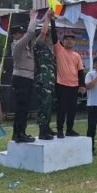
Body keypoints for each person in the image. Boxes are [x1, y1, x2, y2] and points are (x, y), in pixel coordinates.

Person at [10, 10, 37, 143]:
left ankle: (20, 132)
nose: (22, 35)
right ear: (14, 35)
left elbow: (32, 36)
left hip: (27, 79)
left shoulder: (26, 47)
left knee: (24, 108)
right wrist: (33, 17)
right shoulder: (18, 45)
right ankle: (19, 134)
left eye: (22, 32)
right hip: (21, 79)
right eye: (19, 33)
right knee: (21, 108)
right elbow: (31, 32)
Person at [54, 30, 85, 138]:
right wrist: (52, 21)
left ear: (74, 42)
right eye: (67, 39)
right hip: (61, 84)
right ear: (62, 41)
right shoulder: (59, 50)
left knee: (72, 109)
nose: (69, 41)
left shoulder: (77, 55)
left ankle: (69, 130)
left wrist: (82, 85)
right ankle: (59, 130)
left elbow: (80, 71)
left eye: (72, 39)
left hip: (74, 86)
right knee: (62, 108)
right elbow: (54, 35)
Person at [34, 11, 58, 141]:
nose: (47, 37)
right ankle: (42, 131)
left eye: (48, 36)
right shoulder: (38, 46)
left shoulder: (47, 49)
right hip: (43, 81)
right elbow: (42, 33)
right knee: (44, 105)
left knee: (49, 105)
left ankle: (47, 127)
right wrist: (47, 19)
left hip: (50, 81)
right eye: (46, 36)